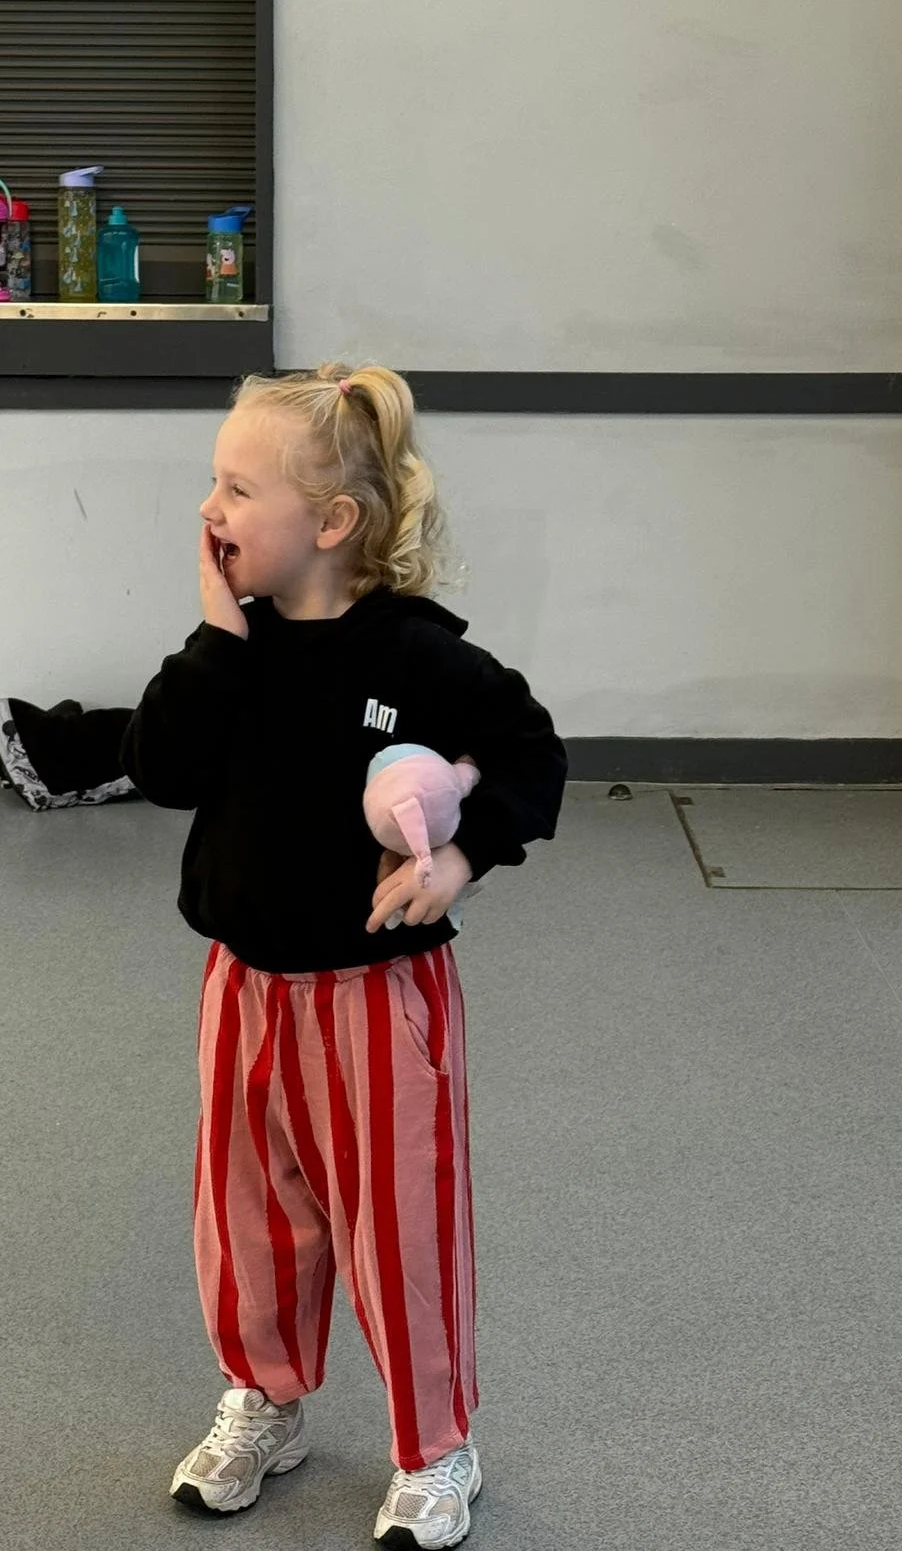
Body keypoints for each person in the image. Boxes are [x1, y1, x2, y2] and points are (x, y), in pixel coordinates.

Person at [120, 362, 567, 1549]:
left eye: (237, 487)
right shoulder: (234, 649)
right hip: (246, 988)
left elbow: (530, 753)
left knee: (397, 1227)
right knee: (251, 1218)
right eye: (211, 480)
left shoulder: (416, 657)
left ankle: (436, 1445)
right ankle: (266, 1399)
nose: (209, 507)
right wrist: (216, 635)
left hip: (378, 997)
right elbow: (162, 768)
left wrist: (463, 858)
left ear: (331, 523)